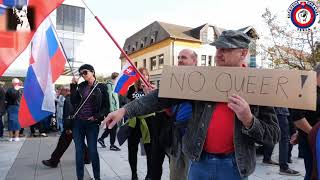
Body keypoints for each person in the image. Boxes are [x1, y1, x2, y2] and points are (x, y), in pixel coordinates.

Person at [103, 30, 280, 180]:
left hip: (234, 166)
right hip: (199, 162)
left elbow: (274, 134)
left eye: (225, 49)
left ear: (242, 53)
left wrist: (249, 120)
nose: (218, 53)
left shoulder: (257, 84)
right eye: (218, 48)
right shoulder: (201, 78)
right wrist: (125, 110)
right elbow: (160, 97)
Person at [152, 49, 197, 180]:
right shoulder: (175, 80)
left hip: (193, 138)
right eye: (178, 58)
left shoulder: (201, 80)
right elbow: (171, 111)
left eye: (184, 57)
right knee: (175, 175)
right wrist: (159, 98)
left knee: (190, 176)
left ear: (194, 61)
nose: (180, 60)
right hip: (176, 138)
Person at [71, 64, 109, 180]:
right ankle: (80, 178)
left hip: (92, 124)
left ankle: (97, 177)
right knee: (79, 151)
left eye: (85, 72)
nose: (83, 75)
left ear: (92, 72)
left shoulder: (101, 87)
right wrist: (73, 86)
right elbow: (73, 101)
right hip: (78, 123)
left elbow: (106, 107)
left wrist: (97, 117)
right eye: (81, 73)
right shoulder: (81, 86)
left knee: (92, 150)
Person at [42, 86, 90, 168]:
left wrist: (68, 128)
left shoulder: (68, 100)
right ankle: (87, 158)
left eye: (61, 90)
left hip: (71, 127)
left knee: (62, 144)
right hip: (77, 125)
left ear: (67, 91)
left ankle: (54, 161)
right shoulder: (75, 98)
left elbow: (69, 115)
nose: (60, 92)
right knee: (79, 143)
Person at [290, 63, 320, 180]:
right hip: (311, 141)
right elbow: (297, 117)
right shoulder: (305, 88)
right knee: (313, 173)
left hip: (314, 137)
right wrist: (315, 135)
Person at [125, 67, 154, 180]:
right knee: (132, 149)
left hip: (149, 122)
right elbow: (127, 105)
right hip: (134, 122)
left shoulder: (151, 88)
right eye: (141, 75)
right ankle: (134, 174)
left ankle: (149, 174)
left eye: (146, 75)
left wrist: (148, 92)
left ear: (148, 76)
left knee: (150, 150)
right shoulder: (132, 89)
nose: (143, 77)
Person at [262, 107, 300, 176]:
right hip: (280, 110)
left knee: (272, 133)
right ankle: (283, 167)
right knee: (284, 138)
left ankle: (267, 158)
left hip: (274, 109)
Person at [97, 72, 121, 151]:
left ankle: (102, 139)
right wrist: (112, 110)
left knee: (112, 127)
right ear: (116, 78)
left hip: (113, 110)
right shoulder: (110, 86)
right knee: (113, 127)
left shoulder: (112, 85)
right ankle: (112, 145)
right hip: (111, 110)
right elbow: (110, 98)